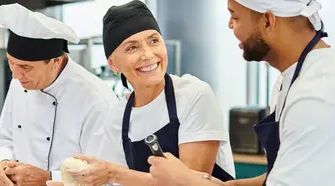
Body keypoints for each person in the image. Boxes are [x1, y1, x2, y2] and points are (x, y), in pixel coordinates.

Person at [147, 0, 335, 186]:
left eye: (235, 16)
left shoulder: (320, 100)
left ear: (268, 20)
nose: (229, 25)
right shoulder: (291, 79)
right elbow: (285, 172)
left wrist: (185, 181)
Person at [47, 1, 235, 186]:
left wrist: (113, 173)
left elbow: (190, 183)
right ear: (113, 64)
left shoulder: (194, 95)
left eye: (154, 41)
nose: (147, 54)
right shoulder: (117, 118)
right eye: (132, 47)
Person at [0, 3, 119, 186]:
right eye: (11, 63)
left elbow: (104, 175)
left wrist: (49, 178)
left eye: (26, 67)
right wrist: (2, 164)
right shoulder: (20, 82)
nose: (15, 75)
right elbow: (5, 139)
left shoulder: (97, 100)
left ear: (56, 61)